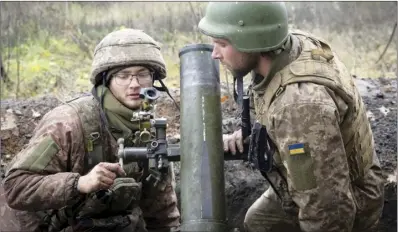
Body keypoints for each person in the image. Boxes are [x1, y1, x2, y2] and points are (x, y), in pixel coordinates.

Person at [198, 2, 385, 232]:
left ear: (253, 42)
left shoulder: (299, 108)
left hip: (349, 199)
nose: (214, 54)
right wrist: (248, 134)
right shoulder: (282, 48)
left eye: (222, 44)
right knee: (257, 223)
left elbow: (327, 211)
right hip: (312, 176)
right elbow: (270, 98)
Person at [1, 28, 180, 232]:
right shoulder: (68, 122)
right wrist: (80, 183)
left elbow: (160, 207)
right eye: (123, 75)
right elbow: (16, 187)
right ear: (106, 80)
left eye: (143, 74)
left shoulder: (150, 129)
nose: (135, 84)